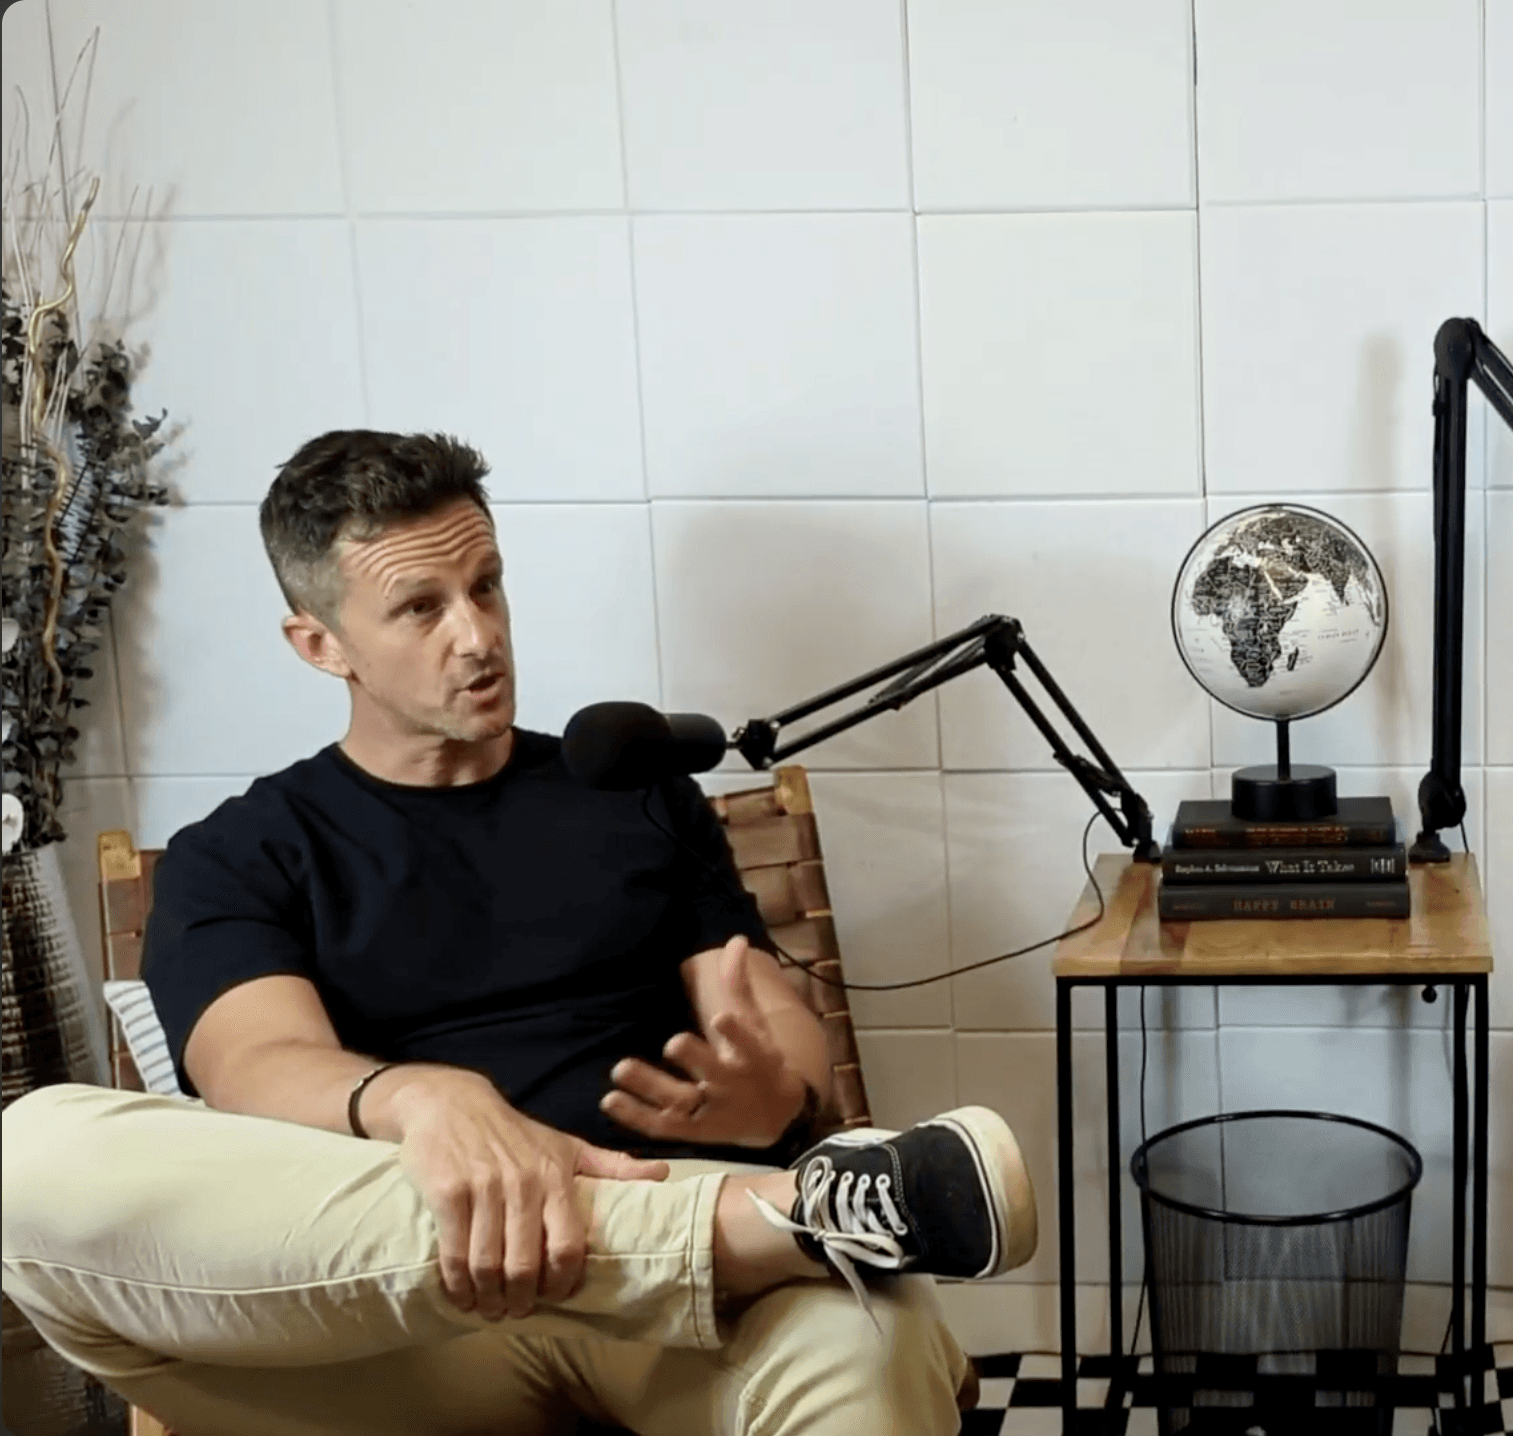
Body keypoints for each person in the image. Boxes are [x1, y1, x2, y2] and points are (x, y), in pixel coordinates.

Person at [1, 430, 1036, 1436]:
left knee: (870, 1338)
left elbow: (757, 1004)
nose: (477, 635)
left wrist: (783, 1096)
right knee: (27, 1156)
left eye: (486, 586)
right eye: (421, 606)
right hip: (395, 1317)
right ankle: (759, 1223)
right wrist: (421, 1096)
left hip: (682, 1318)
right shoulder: (242, 850)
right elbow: (255, 1063)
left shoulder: (633, 791)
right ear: (319, 644)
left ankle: (739, 1229)